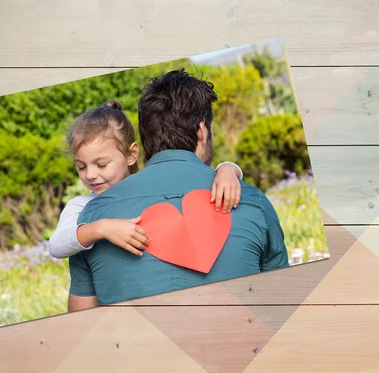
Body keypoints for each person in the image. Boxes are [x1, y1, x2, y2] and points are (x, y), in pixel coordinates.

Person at [68, 69, 289, 312]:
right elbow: (281, 305)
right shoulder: (252, 202)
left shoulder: (91, 219)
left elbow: (80, 322)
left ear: (143, 140)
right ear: (201, 131)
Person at [48, 99, 244, 259]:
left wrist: (227, 169)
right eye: (81, 166)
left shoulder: (151, 186)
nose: (89, 174)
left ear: (131, 154)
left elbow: (189, 178)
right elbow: (56, 246)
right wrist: (102, 228)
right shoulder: (81, 205)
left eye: (101, 165)